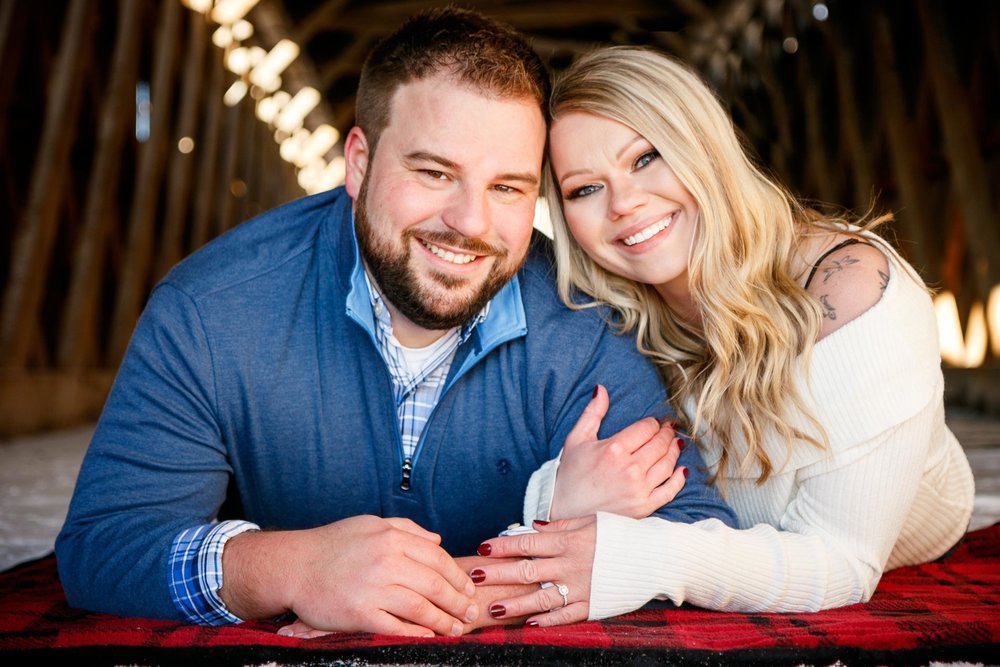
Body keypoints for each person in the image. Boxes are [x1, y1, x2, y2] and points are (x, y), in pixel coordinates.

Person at [54, 13, 736, 638]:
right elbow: (106, 542)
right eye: (435, 172)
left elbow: (698, 530)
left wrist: (475, 574)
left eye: (508, 187)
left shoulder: (585, 321)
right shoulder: (213, 309)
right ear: (358, 162)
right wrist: (293, 566)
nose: (471, 223)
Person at [471, 45, 975, 625]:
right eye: (585, 189)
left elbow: (843, 564)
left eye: (645, 158)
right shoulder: (600, 314)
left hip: (911, 537)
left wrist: (642, 555)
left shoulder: (853, 296)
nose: (626, 203)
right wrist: (553, 499)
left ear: (703, 146)